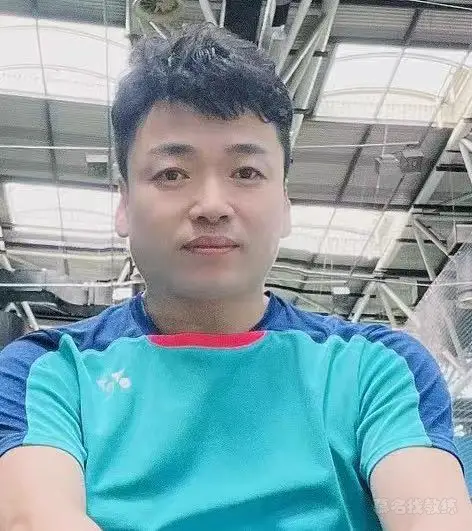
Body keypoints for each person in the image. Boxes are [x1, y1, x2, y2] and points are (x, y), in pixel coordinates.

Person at [0, 22, 471, 531]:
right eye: (172, 174)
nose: (211, 205)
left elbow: (431, 517)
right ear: (124, 204)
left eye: (246, 173)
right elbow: (37, 516)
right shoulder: (50, 372)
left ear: (285, 204)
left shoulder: (376, 369)